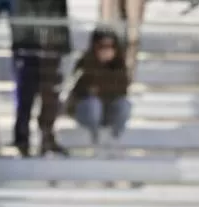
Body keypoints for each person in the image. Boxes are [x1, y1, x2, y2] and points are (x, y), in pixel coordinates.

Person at [10, 0, 71, 157]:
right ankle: (22, 140)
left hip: (51, 47)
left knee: (50, 96)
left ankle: (47, 137)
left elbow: (61, 15)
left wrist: (63, 45)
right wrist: (20, 44)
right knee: (25, 97)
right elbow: (18, 16)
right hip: (27, 47)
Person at [65, 28, 131, 149]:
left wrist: (100, 88)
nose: (107, 50)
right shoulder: (84, 63)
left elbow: (122, 90)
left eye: (111, 46)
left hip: (108, 109)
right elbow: (80, 90)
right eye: (102, 46)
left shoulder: (120, 66)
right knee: (93, 104)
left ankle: (114, 139)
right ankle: (95, 139)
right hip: (86, 111)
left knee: (125, 105)